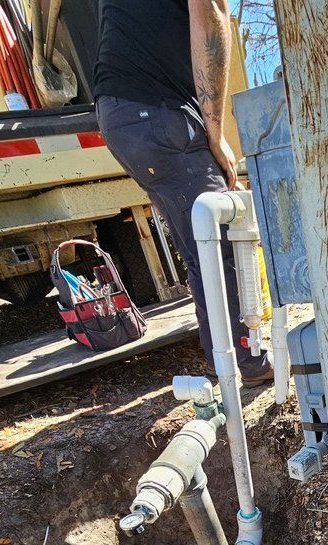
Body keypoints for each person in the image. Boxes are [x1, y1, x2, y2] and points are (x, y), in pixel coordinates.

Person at [93, 0, 273, 387]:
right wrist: (215, 132)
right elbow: (211, 17)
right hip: (155, 110)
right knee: (219, 246)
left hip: (124, 112)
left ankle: (227, 361)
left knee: (201, 249)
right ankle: (248, 362)